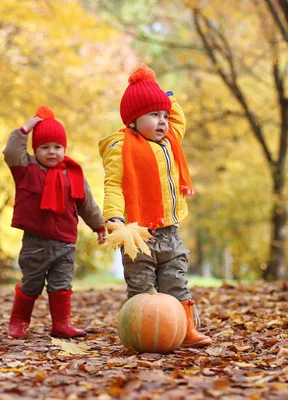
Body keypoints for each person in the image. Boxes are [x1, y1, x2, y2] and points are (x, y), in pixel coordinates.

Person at [98, 64, 212, 348]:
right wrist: (114, 218)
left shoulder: (170, 141)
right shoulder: (121, 147)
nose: (163, 122)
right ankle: (141, 331)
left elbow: (178, 120)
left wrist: (166, 98)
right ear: (133, 121)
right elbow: (113, 185)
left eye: (164, 115)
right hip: (139, 234)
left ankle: (184, 330)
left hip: (170, 231)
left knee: (176, 281)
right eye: (153, 115)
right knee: (142, 286)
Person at [3, 105, 106, 339]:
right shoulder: (26, 169)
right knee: (31, 283)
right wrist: (24, 129)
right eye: (45, 147)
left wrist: (99, 226)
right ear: (35, 150)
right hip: (36, 243)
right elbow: (10, 152)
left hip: (66, 242)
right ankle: (18, 322)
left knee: (61, 284)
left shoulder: (74, 174)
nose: (52, 152)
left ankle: (62, 324)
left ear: (64, 148)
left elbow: (86, 204)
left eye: (57, 147)